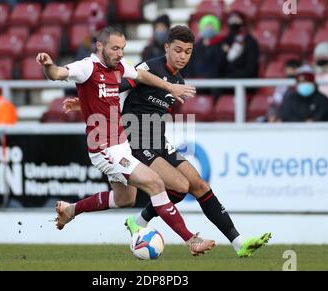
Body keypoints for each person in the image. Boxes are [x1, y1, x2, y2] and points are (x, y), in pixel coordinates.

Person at [64, 26, 271, 257]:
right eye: (178, 50)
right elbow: (112, 88)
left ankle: (239, 243)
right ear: (166, 47)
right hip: (136, 139)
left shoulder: (177, 80)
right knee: (180, 186)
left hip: (159, 140)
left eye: (188, 51)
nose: (182, 56)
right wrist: (83, 103)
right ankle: (146, 224)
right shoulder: (149, 68)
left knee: (199, 185)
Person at [37, 26, 215, 256]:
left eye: (122, 48)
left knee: (125, 199)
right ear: (100, 47)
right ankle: (192, 240)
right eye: (115, 48)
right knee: (156, 184)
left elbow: (141, 75)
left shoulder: (119, 67)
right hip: (104, 147)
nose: (120, 53)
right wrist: (48, 65)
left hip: (120, 145)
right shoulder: (86, 67)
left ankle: (70, 210)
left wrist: (169, 86)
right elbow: (58, 74)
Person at [181, 14, 225, 79]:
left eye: (211, 26)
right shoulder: (195, 47)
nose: (208, 28)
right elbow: (189, 65)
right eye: (206, 26)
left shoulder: (221, 46)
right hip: (196, 82)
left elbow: (219, 66)